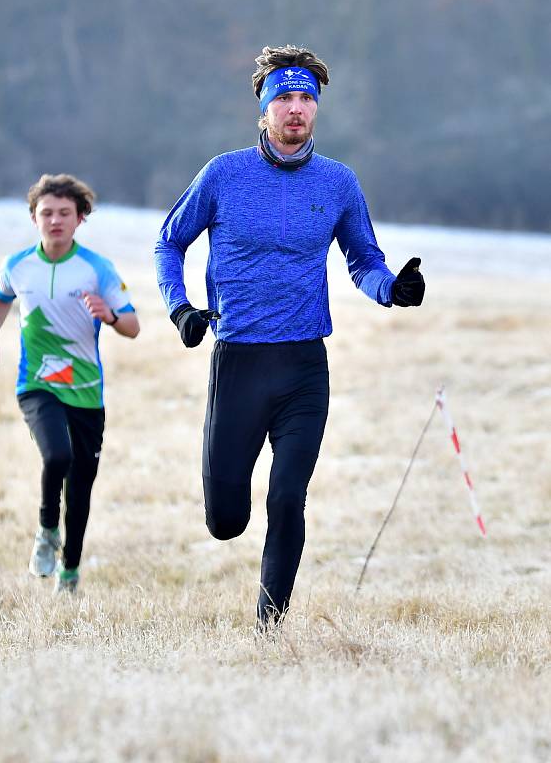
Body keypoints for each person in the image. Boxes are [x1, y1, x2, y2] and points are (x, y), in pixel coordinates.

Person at [154, 45, 425, 628]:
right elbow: (169, 242)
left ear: (317, 109)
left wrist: (390, 289)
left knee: (287, 496)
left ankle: (269, 628)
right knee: (225, 519)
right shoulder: (223, 174)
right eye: (284, 98)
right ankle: (233, 526)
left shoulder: (338, 181)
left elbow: (364, 260)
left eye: (306, 98)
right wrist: (180, 310)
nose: (296, 109)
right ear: (264, 108)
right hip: (240, 363)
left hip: (304, 366)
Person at [0, 174, 140, 593]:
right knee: (56, 457)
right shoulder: (17, 265)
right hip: (38, 383)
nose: (55, 221)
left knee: (81, 486)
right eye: (46, 213)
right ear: (34, 217)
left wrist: (109, 315)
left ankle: (69, 569)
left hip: (86, 390)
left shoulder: (97, 268)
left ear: (80, 218)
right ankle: (46, 530)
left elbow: (133, 326)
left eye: (64, 213)